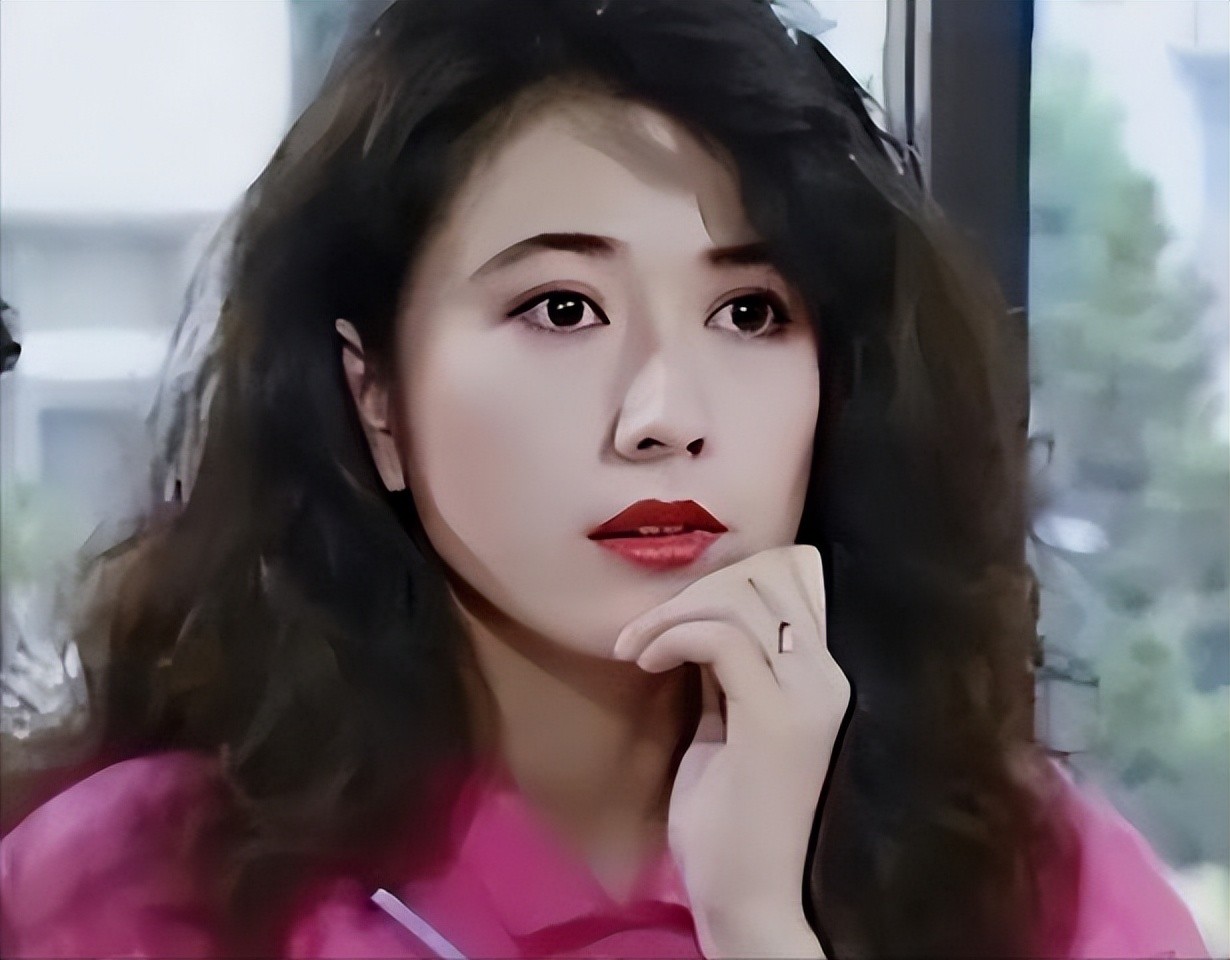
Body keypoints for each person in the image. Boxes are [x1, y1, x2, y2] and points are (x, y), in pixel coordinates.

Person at [0, 1, 1211, 957]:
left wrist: (760, 927)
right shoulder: (130, 894)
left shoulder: (1048, 894)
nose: (664, 416)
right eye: (562, 308)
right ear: (376, 398)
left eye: (750, 312)